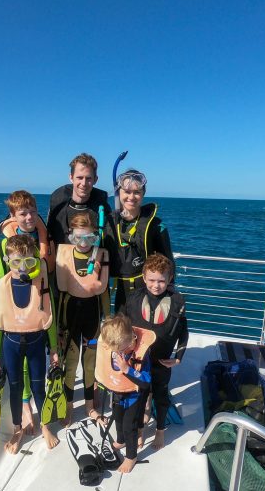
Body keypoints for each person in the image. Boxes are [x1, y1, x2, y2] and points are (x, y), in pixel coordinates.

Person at [0, 234, 60, 453]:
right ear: (7, 261)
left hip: (36, 342)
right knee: (15, 387)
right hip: (10, 343)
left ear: (36, 260)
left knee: (40, 387)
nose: (22, 268)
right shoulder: (0, 286)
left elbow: (50, 318)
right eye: (16, 262)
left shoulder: (42, 283)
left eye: (29, 262)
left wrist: (55, 349)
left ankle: (45, 426)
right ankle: (18, 428)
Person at [0, 191, 55, 434]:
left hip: (40, 301)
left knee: (36, 369)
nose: (29, 217)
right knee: (19, 374)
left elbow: (47, 270)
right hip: (15, 308)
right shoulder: (5, 244)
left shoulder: (42, 236)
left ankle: (40, 414)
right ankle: (26, 407)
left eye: (32, 212)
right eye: (23, 213)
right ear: (13, 216)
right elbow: (1, 278)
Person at [123, 254, 188, 450]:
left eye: (161, 280)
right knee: (140, 397)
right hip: (139, 361)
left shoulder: (177, 300)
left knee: (161, 397)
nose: (156, 285)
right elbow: (123, 326)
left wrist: (178, 358)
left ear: (169, 279)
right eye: (151, 280)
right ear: (144, 278)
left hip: (162, 362)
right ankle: (141, 430)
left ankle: (160, 431)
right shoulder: (134, 299)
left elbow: (183, 331)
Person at [55, 212, 110, 425]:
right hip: (69, 312)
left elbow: (103, 290)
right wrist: (58, 325)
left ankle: (89, 406)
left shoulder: (101, 255)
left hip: (92, 313)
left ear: (95, 236)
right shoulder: (63, 253)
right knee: (70, 362)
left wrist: (108, 317)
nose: (83, 243)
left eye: (89, 238)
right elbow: (61, 289)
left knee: (90, 362)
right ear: (70, 236)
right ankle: (68, 405)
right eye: (78, 238)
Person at [95, 314, 153, 473]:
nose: (120, 352)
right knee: (118, 419)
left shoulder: (141, 354)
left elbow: (146, 381)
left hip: (133, 397)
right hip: (117, 394)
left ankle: (131, 456)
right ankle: (121, 441)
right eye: (116, 349)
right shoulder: (113, 347)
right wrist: (91, 343)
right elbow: (102, 349)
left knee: (129, 427)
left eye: (123, 348)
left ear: (132, 338)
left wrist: (127, 369)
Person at [111, 169, 174, 311]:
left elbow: (168, 261)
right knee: (122, 331)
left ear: (143, 194)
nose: (131, 197)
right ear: (118, 193)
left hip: (149, 292)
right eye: (127, 191)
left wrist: (171, 293)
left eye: (137, 192)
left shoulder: (156, 226)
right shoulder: (110, 223)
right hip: (121, 294)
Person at [47, 153, 112, 247]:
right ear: (71, 177)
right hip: (61, 259)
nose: (84, 183)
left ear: (95, 179)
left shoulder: (102, 210)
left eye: (88, 178)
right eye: (80, 177)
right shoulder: (58, 205)